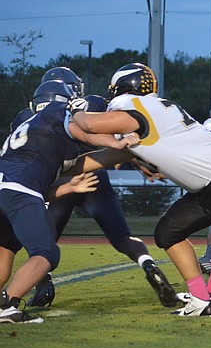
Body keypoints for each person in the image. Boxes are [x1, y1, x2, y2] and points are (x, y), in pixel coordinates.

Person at [71, 63, 211, 317]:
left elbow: (92, 126)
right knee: (168, 232)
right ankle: (202, 299)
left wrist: (74, 109)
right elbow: (105, 155)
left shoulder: (133, 108)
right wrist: (60, 170)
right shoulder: (155, 109)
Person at [1, 83, 139, 324]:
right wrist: (116, 142)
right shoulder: (57, 111)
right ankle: (7, 304)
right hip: (18, 188)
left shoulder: (34, 133)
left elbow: (42, 189)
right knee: (46, 252)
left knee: (4, 248)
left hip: (10, 186)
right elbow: (84, 132)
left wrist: (69, 188)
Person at [31, 93, 177, 309]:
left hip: (66, 177)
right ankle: (148, 264)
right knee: (122, 237)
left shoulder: (34, 119)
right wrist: (140, 161)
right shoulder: (93, 105)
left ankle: (43, 285)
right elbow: (119, 141)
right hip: (96, 176)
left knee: (44, 242)